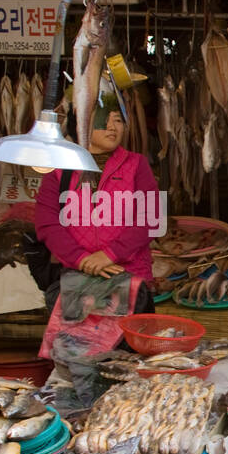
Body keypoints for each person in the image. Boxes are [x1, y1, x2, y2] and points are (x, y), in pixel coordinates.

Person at [33, 103, 156, 314]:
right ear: (80, 124)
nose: (112, 127)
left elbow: (150, 218)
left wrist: (109, 254)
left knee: (128, 344)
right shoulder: (59, 169)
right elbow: (47, 223)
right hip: (78, 281)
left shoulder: (136, 164)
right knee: (80, 345)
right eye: (103, 121)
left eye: (118, 120)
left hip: (130, 276)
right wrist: (81, 259)